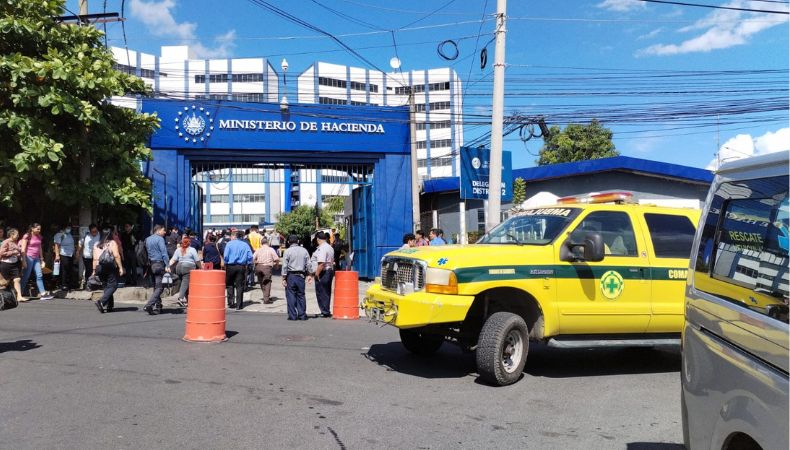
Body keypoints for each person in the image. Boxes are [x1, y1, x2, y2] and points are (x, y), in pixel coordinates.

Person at [92, 230, 124, 313]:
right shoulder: (112, 243)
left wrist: (94, 270)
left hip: (99, 267)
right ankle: (101, 301)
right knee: (113, 285)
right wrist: (120, 267)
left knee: (106, 286)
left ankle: (109, 305)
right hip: (109, 266)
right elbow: (116, 256)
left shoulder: (96, 244)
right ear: (110, 235)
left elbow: (95, 259)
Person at [282, 235, 310, 321]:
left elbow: (284, 266)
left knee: (291, 295)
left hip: (291, 275)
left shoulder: (287, 251)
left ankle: (292, 315)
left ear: (288, 242)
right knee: (301, 295)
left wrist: (283, 278)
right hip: (301, 275)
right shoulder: (304, 250)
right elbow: (308, 264)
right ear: (298, 241)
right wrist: (309, 274)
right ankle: (302, 315)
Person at [20, 223, 52, 300]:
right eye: (37, 229)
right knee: (26, 276)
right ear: (32, 229)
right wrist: (24, 260)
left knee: (39, 275)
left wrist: (42, 259)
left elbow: (40, 248)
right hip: (28, 257)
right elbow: (23, 249)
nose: (39, 230)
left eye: (40, 229)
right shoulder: (26, 236)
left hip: (36, 258)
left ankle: (43, 294)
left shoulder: (39, 236)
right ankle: (19, 293)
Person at [143, 224, 170, 315]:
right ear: (158, 230)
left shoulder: (147, 239)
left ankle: (158, 306)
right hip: (159, 264)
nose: (165, 232)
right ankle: (149, 305)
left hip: (151, 265)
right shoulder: (160, 239)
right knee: (159, 287)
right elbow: (164, 253)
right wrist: (167, 265)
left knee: (156, 286)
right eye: (163, 230)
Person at [223, 230, 252, 310]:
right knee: (239, 286)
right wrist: (248, 263)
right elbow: (250, 256)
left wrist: (226, 263)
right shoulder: (245, 245)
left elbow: (225, 256)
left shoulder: (229, 244)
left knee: (230, 284)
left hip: (230, 266)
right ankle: (239, 305)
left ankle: (231, 302)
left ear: (235, 236)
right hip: (241, 266)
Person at [170, 236, 200, 308]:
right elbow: (197, 260)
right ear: (189, 243)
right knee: (185, 283)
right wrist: (201, 268)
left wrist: (168, 266)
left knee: (185, 284)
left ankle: (188, 301)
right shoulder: (192, 250)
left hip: (179, 267)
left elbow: (173, 260)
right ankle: (180, 298)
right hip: (188, 267)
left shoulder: (178, 250)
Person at [310, 231, 334, 318]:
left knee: (321, 292)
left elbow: (321, 264)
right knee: (326, 292)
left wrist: (316, 274)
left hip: (323, 272)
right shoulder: (329, 247)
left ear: (318, 239)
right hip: (329, 271)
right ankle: (326, 310)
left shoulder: (322, 248)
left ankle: (324, 311)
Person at [0, 228, 27, 301]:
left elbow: (17, 252)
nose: (18, 236)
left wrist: (19, 256)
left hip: (14, 264)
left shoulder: (15, 242)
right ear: (12, 235)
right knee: (4, 283)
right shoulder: (6, 242)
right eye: (17, 234)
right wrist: (13, 252)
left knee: (17, 279)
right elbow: (1, 253)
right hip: (6, 264)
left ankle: (19, 296)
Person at [253, 237, 279, 304]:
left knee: (261, 282)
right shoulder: (271, 249)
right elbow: (276, 259)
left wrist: (256, 262)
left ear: (261, 243)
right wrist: (277, 265)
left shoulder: (258, 249)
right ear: (267, 243)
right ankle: (266, 299)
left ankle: (265, 295)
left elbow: (252, 258)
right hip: (267, 267)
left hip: (258, 267)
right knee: (267, 282)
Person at [53, 223, 76, 291]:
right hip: (63, 254)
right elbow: (57, 245)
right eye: (67, 227)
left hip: (70, 254)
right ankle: (63, 284)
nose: (69, 229)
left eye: (69, 227)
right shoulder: (59, 235)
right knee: (64, 269)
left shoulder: (69, 235)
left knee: (69, 269)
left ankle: (69, 284)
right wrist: (57, 255)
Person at [78, 224, 100, 290]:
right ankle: (88, 284)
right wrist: (77, 252)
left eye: (95, 231)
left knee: (97, 270)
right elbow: (80, 244)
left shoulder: (99, 235)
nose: (94, 233)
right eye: (93, 232)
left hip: (96, 256)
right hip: (87, 256)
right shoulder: (85, 236)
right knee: (89, 270)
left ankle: (96, 284)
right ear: (90, 231)